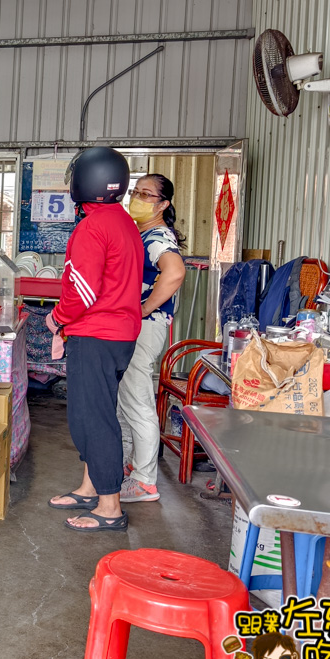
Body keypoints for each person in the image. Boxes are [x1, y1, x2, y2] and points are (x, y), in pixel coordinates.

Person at [46, 147, 143, 532]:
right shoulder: (122, 221)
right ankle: (90, 488)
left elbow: (82, 291)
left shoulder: (93, 226)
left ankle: (109, 508)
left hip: (96, 333)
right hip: (118, 334)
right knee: (87, 413)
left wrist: (57, 317)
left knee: (96, 418)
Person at [117, 174, 187, 503]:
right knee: (128, 400)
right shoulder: (142, 232)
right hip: (139, 324)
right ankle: (134, 468)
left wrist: (144, 308)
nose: (138, 198)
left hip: (146, 325)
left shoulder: (157, 237)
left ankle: (145, 480)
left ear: (162, 204)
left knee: (137, 400)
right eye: (136, 191)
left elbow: (174, 272)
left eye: (146, 194)